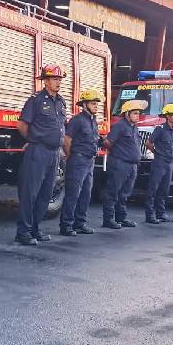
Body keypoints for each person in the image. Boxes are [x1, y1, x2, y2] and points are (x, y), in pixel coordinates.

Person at [15, 64, 68, 246]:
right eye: (54, 79)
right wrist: (34, 140)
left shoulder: (61, 102)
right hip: (38, 151)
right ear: (45, 81)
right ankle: (23, 232)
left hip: (54, 153)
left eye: (59, 79)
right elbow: (21, 125)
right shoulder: (35, 100)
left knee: (46, 194)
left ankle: (36, 229)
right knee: (30, 192)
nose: (58, 82)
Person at [59, 88, 104, 236]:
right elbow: (67, 139)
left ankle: (80, 223)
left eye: (96, 104)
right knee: (73, 193)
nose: (96, 106)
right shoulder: (77, 120)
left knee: (86, 193)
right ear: (84, 105)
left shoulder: (93, 121)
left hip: (89, 160)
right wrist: (71, 156)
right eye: (93, 103)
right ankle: (66, 225)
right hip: (78, 159)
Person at [102, 100, 145, 229]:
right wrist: (117, 154)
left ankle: (121, 218)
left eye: (139, 113)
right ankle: (108, 219)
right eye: (135, 113)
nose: (138, 115)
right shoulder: (120, 126)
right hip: (120, 164)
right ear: (127, 114)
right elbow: (108, 142)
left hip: (132, 165)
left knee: (124, 194)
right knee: (113, 192)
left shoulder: (134, 127)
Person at [143, 103, 173, 224]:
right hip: (159, 162)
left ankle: (161, 213)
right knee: (153, 189)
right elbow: (148, 143)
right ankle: (149, 215)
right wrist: (157, 152)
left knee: (164, 189)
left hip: (169, 163)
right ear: (167, 116)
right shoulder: (160, 129)